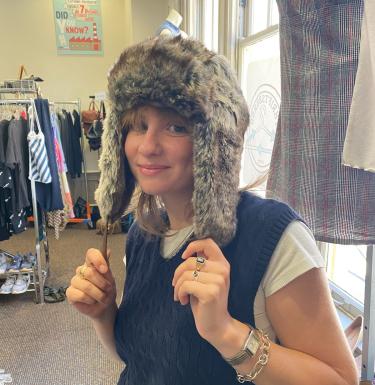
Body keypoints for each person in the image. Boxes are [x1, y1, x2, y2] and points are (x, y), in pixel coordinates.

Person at [66, 36, 358, 385]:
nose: (147, 146)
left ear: (213, 142)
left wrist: (227, 334)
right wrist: (103, 314)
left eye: (176, 127)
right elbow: (141, 360)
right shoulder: (143, 236)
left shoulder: (273, 236)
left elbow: (340, 379)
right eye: (138, 125)